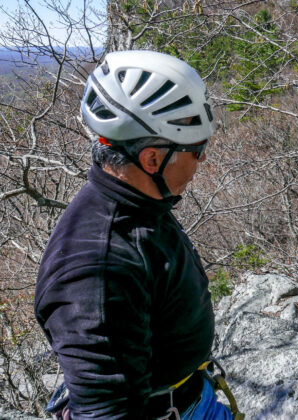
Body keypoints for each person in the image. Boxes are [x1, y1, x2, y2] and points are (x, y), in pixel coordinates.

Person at [34, 50, 234, 419]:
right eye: (197, 148)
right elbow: (105, 413)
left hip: (188, 395)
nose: (202, 159)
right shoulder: (97, 270)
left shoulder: (136, 201)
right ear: (152, 160)